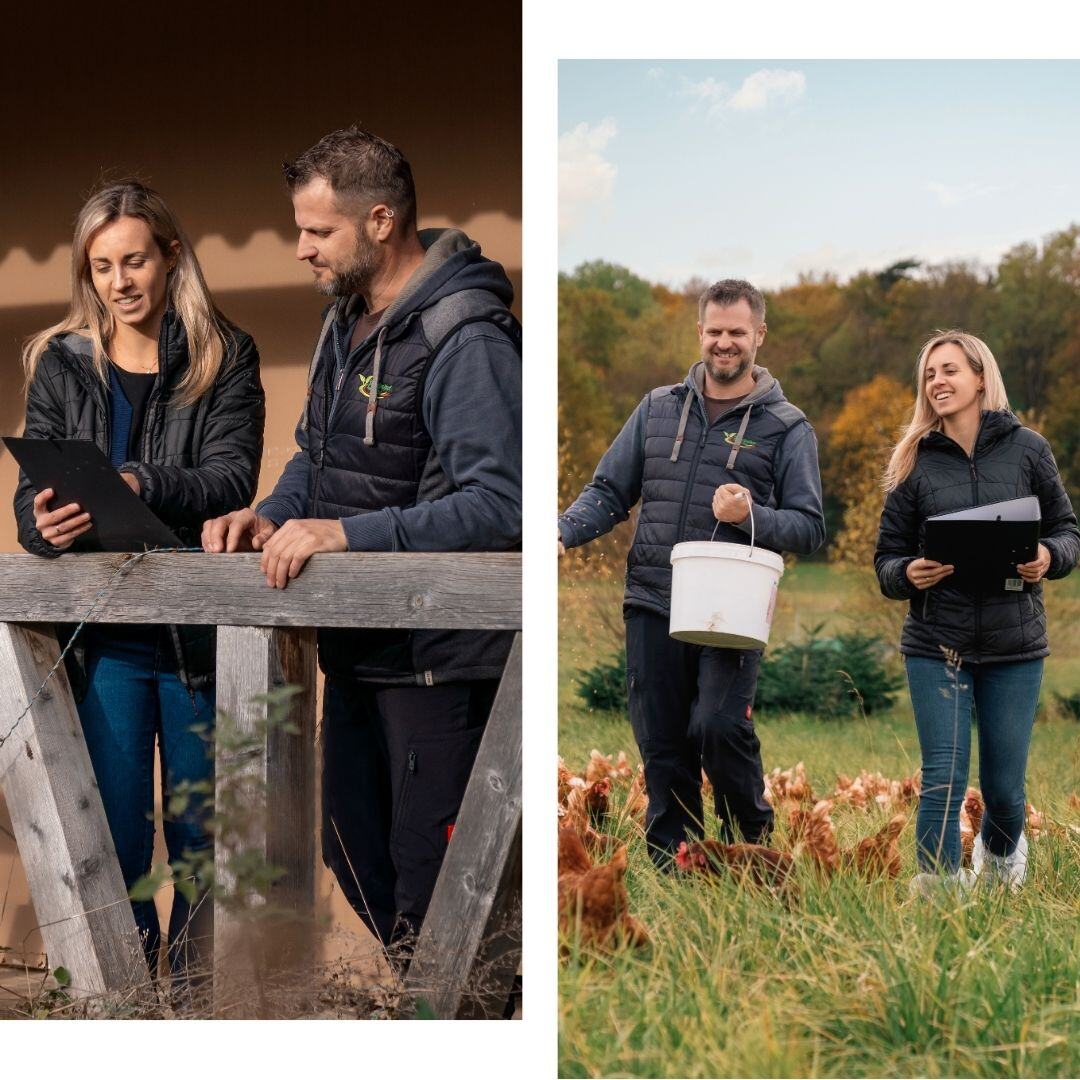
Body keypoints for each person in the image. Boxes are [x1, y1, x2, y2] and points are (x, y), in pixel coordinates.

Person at [201, 127, 522, 952]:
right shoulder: (343, 321)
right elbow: (318, 455)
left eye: (318, 231)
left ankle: (462, 1020)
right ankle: (438, 1005)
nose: (300, 248)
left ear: (380, 220)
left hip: (438, 661)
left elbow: (501, 504)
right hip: (357, 650)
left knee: (433, 879)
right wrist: (271, 513)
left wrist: (348, 533)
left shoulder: (467, 336)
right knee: (349, 851)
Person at [13, 182, 265, 982]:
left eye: (134, 261)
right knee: (115, 836)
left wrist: (139, 483)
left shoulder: (226, 352)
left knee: (202, 842)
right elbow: (34, 493)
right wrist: (39, 526)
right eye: (101, 267)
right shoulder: (60, 361)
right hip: (106, 636)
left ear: (170, 257)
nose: (119, 282)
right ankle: (123, 1012)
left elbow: (231, 476)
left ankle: (198, 1011)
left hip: (196, 632)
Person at [559, 280, 825, 863]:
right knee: (662, 743)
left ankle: (749, 845)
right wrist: (561, 532)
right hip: (653, 597)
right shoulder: (657, 408)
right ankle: (675, 864)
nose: (724, 343)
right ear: (699, 333)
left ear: (759, 335)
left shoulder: (786, 425)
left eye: (736, 332)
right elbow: (608, 491)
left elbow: (809, 526)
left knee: (717, 726)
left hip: (729, 606)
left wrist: (751, 513)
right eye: (714, 331)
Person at [874, 330, 1078, 892]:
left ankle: (999, 867)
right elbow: (887, 560)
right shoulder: (912, 460)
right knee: (942, 778)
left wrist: (1046, 556)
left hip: (1015, 646)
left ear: (981, 378)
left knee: (1006, 789)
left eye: (949, 371)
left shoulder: (1029, 450)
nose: (937, 382)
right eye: (930, 374)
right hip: (936, 641)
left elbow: (1068, 533)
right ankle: (937, 894)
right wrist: (908, 573)